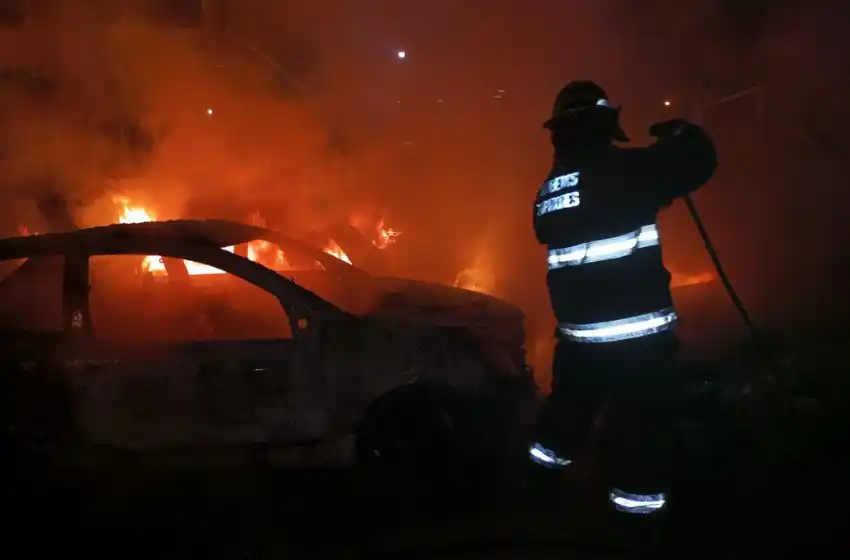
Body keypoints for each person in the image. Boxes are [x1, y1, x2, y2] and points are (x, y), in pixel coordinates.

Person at [528, 81, 717, 515]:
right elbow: (698, 163)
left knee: (565, 418)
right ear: (605, 124)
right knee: (643, 429)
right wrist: (682, 134)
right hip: (638, 341)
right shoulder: (626, 172)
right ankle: (636, 520)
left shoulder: (549, 192)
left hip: (579, 341)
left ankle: (538, 494)